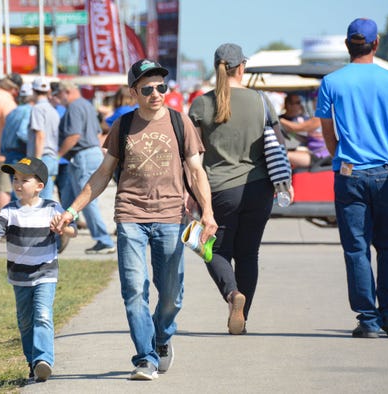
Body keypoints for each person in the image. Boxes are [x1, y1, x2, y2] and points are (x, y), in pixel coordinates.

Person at [54, 59, 217, 380]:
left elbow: (197, 172)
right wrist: (72, 210)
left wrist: (208, 212)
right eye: (147, 89)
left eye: (161, 87)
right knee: (133, 289)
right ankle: (145, 358)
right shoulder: (123, 126)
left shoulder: (180, 122)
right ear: (134, 93)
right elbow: (102, 175)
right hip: (130, 216)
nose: (156, 93)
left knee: (171, 293)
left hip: (171, 217)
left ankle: (161, 337)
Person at [315, 18, 388, 338]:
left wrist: (340, 155)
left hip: (349, 173)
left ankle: (368, 319)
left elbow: (328, 133)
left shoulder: (331, 82)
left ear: (348, 45)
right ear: (376, 44)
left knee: (356, 248)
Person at [189, 43, 292, 335]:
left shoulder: (200, 104)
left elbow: (191, 157)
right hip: (259, 189)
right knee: (248, 254)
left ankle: (232, 294)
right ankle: (242, 319)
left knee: (214, 249)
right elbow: (279, 146)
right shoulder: (261, 101)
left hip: (219, 190)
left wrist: (190, 194)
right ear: (241, 67)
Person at [0, 157, 77, 381]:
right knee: (25, 320)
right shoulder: (10, 210)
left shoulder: (52, 208)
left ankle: (43, 360)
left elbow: (72, 230)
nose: (18, 184)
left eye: (24, 179)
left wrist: (63, 229)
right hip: (19, 275)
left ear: (40, 186)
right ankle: (33, 361)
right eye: (15, 179)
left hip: (45, 273)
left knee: (42, 315)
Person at [56, 80, 116, 254]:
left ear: (66, 92)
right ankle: (63, 233)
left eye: (59, 95)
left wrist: (58, 154)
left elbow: (74, 135)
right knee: (68, 198)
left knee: (87, 200)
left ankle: (104, 240)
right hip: (88, 154)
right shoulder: (87, 105)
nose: (59, 99)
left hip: (82, 155)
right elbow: (98, 132)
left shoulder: (74, 107)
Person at [0, 74, 22, 217]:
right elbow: (13, 125)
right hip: (3, 151)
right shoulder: (6, 101)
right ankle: (4, 224)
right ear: (13, 89)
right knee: (4, 189)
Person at [28, 77, 61, 200]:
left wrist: (36, 160)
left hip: (43, 157)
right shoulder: (53, 110)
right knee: (47, 196)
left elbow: (40, 135)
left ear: (33, 90)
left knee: (41, 200)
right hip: (52, 157)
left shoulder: (37, 109)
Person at [279, 94, 330, 169]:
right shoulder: (317, 117)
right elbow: (307, 138)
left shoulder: (319, 118)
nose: (313, 102)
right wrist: (291, 134)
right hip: (315, 154)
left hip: (320, 156)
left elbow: (296, 128)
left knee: (281, 155)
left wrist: (277, 119)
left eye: (314, 100)